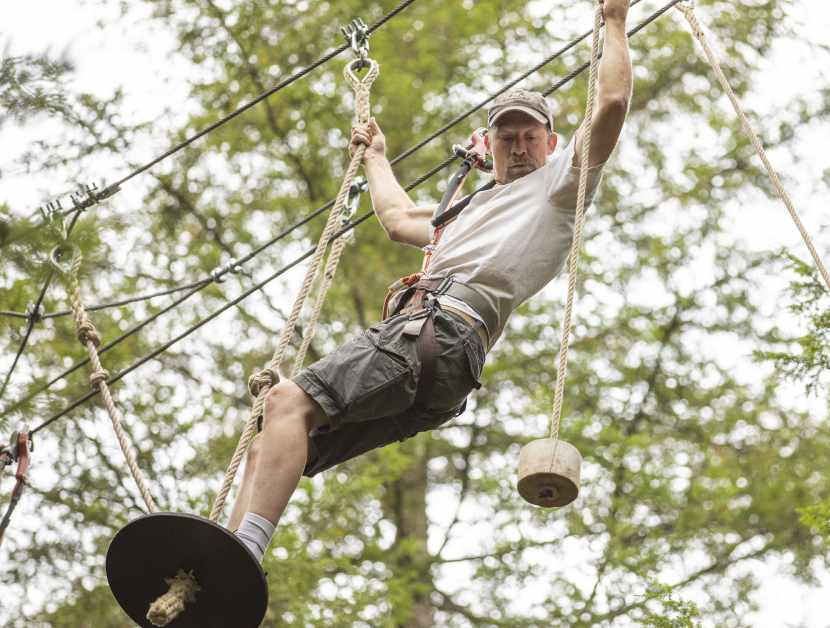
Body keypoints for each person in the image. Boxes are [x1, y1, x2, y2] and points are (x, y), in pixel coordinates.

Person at [225, 0, 633, 563]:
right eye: (506, 137)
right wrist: (375, 157)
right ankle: (223, 561)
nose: (518, 146)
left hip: (438, 334)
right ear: (487, 146)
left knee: (289, 402)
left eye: (529, 136)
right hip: (439, 366)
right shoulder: (466, 212)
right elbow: (397, 220)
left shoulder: (560, 189)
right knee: (278, 426)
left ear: (551, 144)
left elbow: (611, 103)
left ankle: (242, 551)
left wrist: (614, 21)